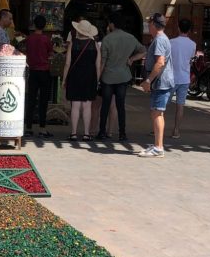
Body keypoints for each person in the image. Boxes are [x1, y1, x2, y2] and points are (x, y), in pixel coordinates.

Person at [98, 11, 146, 142]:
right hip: (123, 76)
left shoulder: (107, 39)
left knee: (105, 105)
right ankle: (122, 133)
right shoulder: (130, 38)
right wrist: (131, 59)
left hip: (108, 77)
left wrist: (98, 76)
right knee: (120, 106)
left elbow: (103, 61)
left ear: (112, 24)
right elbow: (143, 51)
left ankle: (102, 132)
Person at [139, 13, 174, 158]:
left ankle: (158, 147)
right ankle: (156, 145)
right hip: (162, 82)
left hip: (161, 82)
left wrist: (148, 80)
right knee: (157, 112)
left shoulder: (160, 40)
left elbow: (160, 62)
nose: (148, 26)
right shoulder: (162, 38)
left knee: (157, 113)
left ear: (154, 24)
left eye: (149, 23)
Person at [63, 19, 100, 141]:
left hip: (74, 76)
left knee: (75, 105)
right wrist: (97, 80)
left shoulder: (73, 43)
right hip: (90, 77)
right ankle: (86, 133)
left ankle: (73, 133)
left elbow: (68, 63)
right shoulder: (94, 44)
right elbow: (98, 65)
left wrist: (64, 79)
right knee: (87, 105)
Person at [25, 14, 53, 138]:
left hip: (33, 71)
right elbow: (50, 54)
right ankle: (42, 128)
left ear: (34, 25)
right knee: (43, 101)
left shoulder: (29, 39)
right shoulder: (46, 39)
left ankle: (28, 128)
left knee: (31, 100)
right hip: (44, 71)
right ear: (45, 26)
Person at [169, 18, 197, 139]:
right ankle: (176, 130)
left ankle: (157, 129)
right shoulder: (193, 44)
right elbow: (190, 59)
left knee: (162, 105)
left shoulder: (171, 42)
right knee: (180, 105)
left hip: (170, 77)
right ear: (189, 30)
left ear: (178, 27)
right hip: (184, 78)